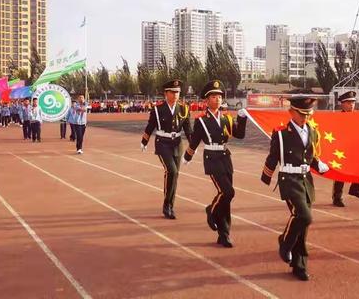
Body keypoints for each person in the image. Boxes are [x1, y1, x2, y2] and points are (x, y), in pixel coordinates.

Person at [260, 92, 330, 281]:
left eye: (309, 114)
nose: (306, 117)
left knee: (304, 226)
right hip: (289, 179)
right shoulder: (281, 133)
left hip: (306, 180)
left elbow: (310, 155)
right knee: (304, 216)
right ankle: (285, 241)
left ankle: (299, 264)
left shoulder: (313, 131)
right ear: (292, 112)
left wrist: (318, 164)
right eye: (302, 113)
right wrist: (266, 176)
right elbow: (273, 156)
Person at [183, 80, 247, 247]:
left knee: (226, 199)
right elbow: (195, 141)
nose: (218, 99)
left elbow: (239, 135)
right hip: (211, 157)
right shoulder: (202, 120)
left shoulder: (226, 118)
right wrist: (187, 156)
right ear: (206, 100)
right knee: (228, 192)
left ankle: (224, 234)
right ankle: (211, 209)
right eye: (213, 96)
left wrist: (242, 118)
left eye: (219, 96)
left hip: (225, 157)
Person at [141, 79, 192, 219]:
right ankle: (166, 205)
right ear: (166, 93)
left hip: (177, 143)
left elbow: (188, 130)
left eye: (178, 92)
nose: (176, 95)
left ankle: (170, 205)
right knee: (172, 171)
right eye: (173, 92)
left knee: (175, 175)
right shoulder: (158, 110)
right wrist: (144, 141)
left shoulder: (184, 108)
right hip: (162, 143)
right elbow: (150, 126)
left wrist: (192, 147)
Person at [332, 91, 359, 207]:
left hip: (355, 147)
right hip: (342, 149)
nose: (352, 105)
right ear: (342, 104)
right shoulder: (338, 118)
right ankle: (337, 197)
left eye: (353, 103)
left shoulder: (358, 116)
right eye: (349, 103)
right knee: (340, 174)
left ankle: (355, 188)